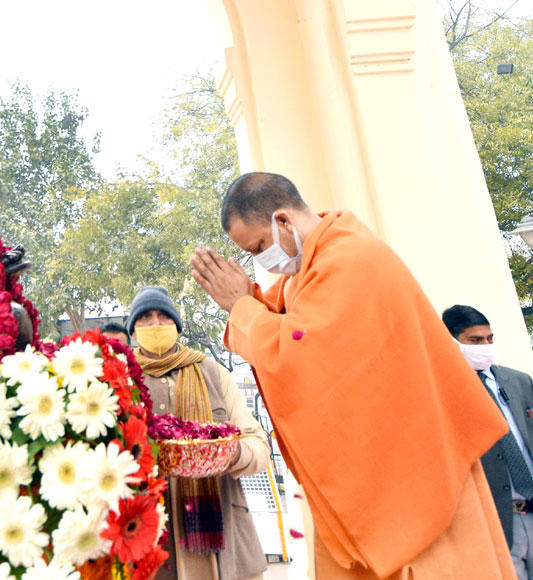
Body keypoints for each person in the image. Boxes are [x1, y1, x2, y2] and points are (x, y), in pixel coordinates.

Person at [189, 172, 514, 579]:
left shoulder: (350, 259)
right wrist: (245, 303)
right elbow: (286, 324)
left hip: (414, 472)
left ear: (284, 221)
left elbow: (301, 353)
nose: (261, 260)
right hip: (387, 470)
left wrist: (241, 307)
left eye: (258, 246)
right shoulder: (308, 271)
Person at [127, 285, 269, 580]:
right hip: (147, 537)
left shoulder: (213, 373)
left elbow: (257, 445)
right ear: (133, 329)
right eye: (145, 318)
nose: (156, 325)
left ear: (177, 325)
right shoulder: (121, 378)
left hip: (220, 540)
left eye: (164, 317)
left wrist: (229, 453)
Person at [443, 304, 533, 579]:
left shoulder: (519, 381)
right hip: (495, 519)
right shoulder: (444, 391)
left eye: (489, 338)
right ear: (452, 342)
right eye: (476, 340)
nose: (486, 346)